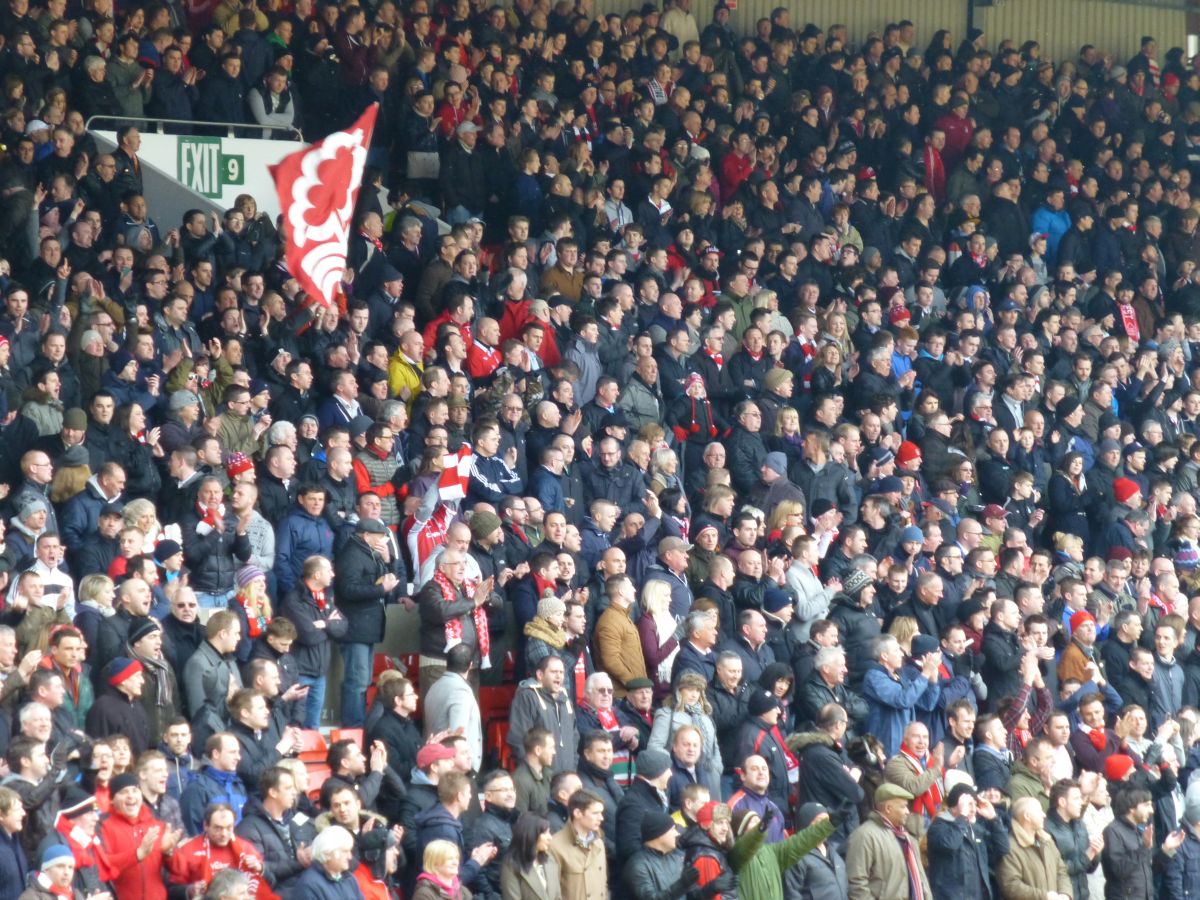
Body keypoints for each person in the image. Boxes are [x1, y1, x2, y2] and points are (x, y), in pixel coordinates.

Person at [845, 784, 933, 900]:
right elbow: (856, 883)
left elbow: (921, 878)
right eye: (903, 807)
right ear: (888, 808)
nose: (908, 811)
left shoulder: (907, 837)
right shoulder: (864, 836)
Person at [926, 784, 1008, 900]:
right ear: (955, 806)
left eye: (975, 804)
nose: (974, 809)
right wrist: (963, 816)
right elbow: (950, 844)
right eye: (969, 804)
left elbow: (1002, 849)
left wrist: (994, 819)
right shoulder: (939, 826)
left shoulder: (974, 828)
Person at [997, 797, 1072, 900]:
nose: (1044, 815)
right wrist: (1044, 896)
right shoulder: (1010, 846)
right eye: (1039, 811)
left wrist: (1065, 894)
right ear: (1027, 816)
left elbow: (1061, 871)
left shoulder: (1047, 840)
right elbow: (1010, 885)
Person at [549, 791, 607, 900]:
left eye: (601, 813)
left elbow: (603, 886)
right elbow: (552, 892)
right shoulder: (555, 846)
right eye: (595, 813)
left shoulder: (599, 843)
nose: (601, 818)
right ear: (577, 813)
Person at [293, 825, 361, 900]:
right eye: (345, 851)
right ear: (328, 853)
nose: (350, 857)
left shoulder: (350, 879)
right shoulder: (308, 886)